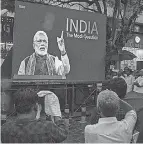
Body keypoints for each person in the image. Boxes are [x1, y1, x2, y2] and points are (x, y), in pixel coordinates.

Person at [1, 88, 68, 143]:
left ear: (15, 107)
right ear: (36, 107)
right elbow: (63, 134)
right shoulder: (47, 127)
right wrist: (56, 113)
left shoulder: (5, 129)